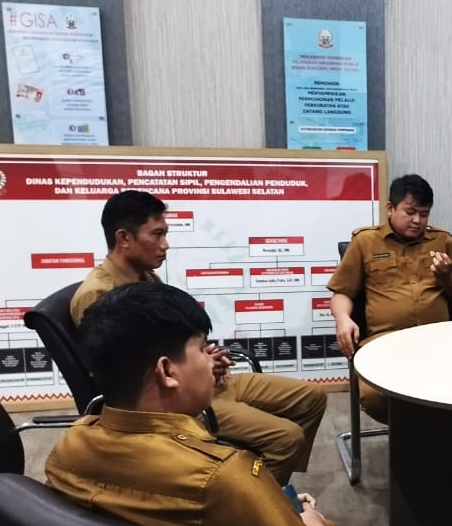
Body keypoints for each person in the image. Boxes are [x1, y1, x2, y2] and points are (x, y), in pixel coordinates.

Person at [46, 283, 452, 526]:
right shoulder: (225, 478)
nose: (211, 361)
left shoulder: (67, 450)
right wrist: (306, 517)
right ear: (167, 372)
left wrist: (277, 508)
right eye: (202, 350)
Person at [70, 190, 326, 485]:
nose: (165, 245)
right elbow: (127, 380)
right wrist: (197, 367)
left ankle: (269, 480)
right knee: (287, 438)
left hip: (205, 380)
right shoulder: (98, 295)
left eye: (165, 234)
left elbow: (168, 342)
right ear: (124, 238)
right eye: (157, 234)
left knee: (312, 398)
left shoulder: (145, 278)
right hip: (177, 399)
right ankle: (256, 500)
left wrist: (204, 357)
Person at [327, 174, 452, 420]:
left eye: (424, 214)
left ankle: (433, 431)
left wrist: (447, 277)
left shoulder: (442, 241)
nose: (417, 220)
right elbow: (342, 292)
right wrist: (342, 319)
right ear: (390, 208)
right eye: (410, 212)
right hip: (384, 341)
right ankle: (418, 429)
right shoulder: (365, 242)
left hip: (438, 340)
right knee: (375, 395)